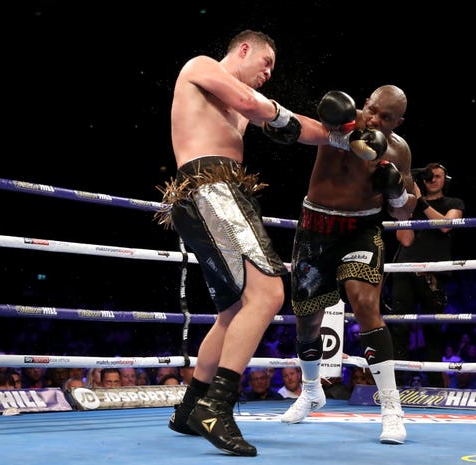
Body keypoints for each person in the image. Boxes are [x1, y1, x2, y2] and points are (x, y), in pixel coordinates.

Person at [159, 29, 330, 457]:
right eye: (266, 63)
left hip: (215, 193)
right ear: (244, 49)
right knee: (270, 291)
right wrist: (281, 117)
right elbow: (259, 107)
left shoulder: (239, 101)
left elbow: (293, 125)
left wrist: (342, 135)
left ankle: (191, 407)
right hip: (210, 186)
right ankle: (217, 407)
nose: (268, 73)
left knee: (234, 309)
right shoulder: (201, 67)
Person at [281, 86, 415, 445]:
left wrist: (396, 191)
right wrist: (280, 122)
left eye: (385, 118)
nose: (373, 119)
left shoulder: (398, 150)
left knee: (366, 302)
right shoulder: (339, 121)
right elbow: (304, 130)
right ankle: (311, 391)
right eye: (371, 109)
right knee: (307, 319)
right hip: (316, 227)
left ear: (397, 121)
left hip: (361, 228)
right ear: (365, 103)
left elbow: (405, 210)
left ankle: (391, 409)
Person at [389, 162, 465, 387]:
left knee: (432, 329)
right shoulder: (411, 204)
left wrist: (421, 202)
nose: (433, 180)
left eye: (438, 176)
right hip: (405, 269)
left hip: (434, 273)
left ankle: (434, 384)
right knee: (400, 327)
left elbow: (445, 226)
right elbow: (405, 239)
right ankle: (396, 383)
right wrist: (405, 205)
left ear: (445, 180)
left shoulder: (454, 203)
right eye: (429, 176)